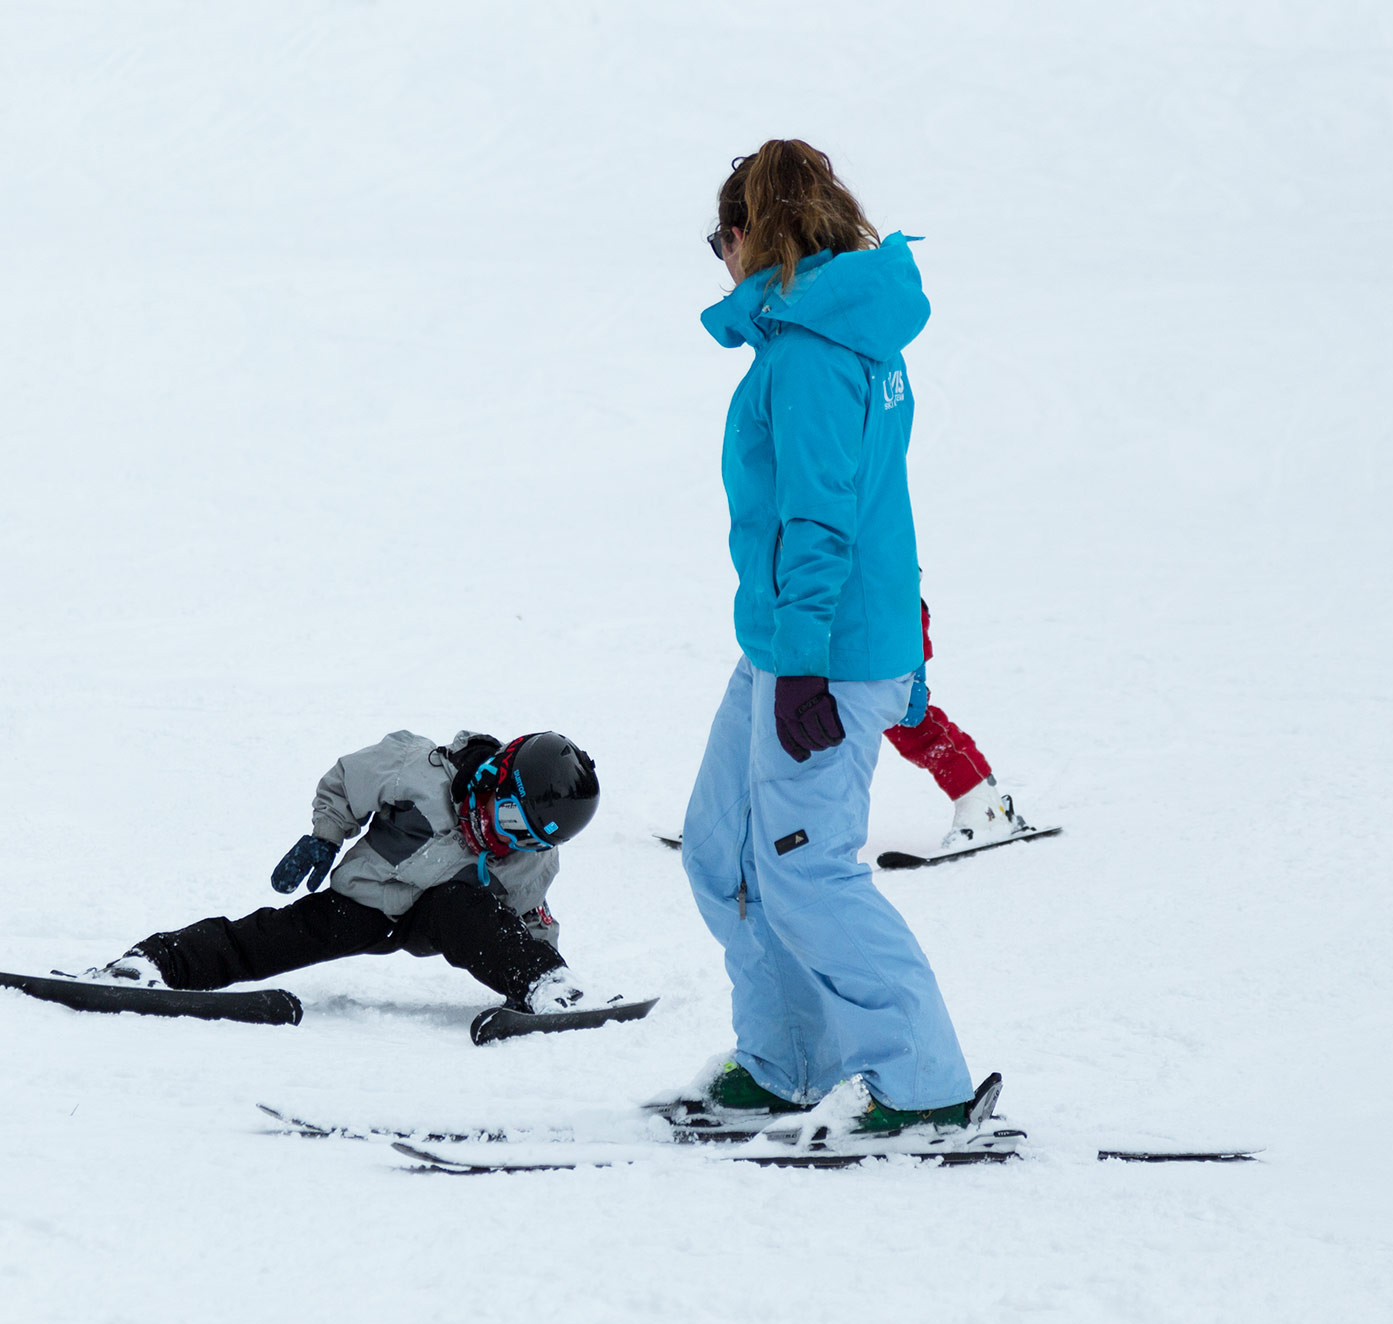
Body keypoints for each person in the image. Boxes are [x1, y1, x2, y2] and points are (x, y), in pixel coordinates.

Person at [675, 140, 984, 1132]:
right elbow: (879, 506)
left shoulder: (812, 353)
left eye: (713, 238)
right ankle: (788, 1060)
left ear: (748, 235)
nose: (713, 258)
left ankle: (922, 1085)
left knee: (806, 868)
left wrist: (811, 664)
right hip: (790, 642)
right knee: (721, 852)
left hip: (818, 653)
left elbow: (821, 518)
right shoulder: (837, 336)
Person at [87, 729, 606, 1013]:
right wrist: (325, 835)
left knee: (467, 910)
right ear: (498, 776)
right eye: (511, 819)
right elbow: (344, 783)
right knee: (278, 935)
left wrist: (544, 965)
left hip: (439, 919)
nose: (508, 839)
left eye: (529, 839)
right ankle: (156, 965)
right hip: (367, 902)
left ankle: (547, 988)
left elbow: (525, 918)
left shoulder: (529, 858)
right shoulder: (417, 769)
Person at [886, 600, 1038, 851]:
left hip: (883, 612)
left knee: (905, 718)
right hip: (821, 617)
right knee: (823, 731)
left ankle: (982, 803)